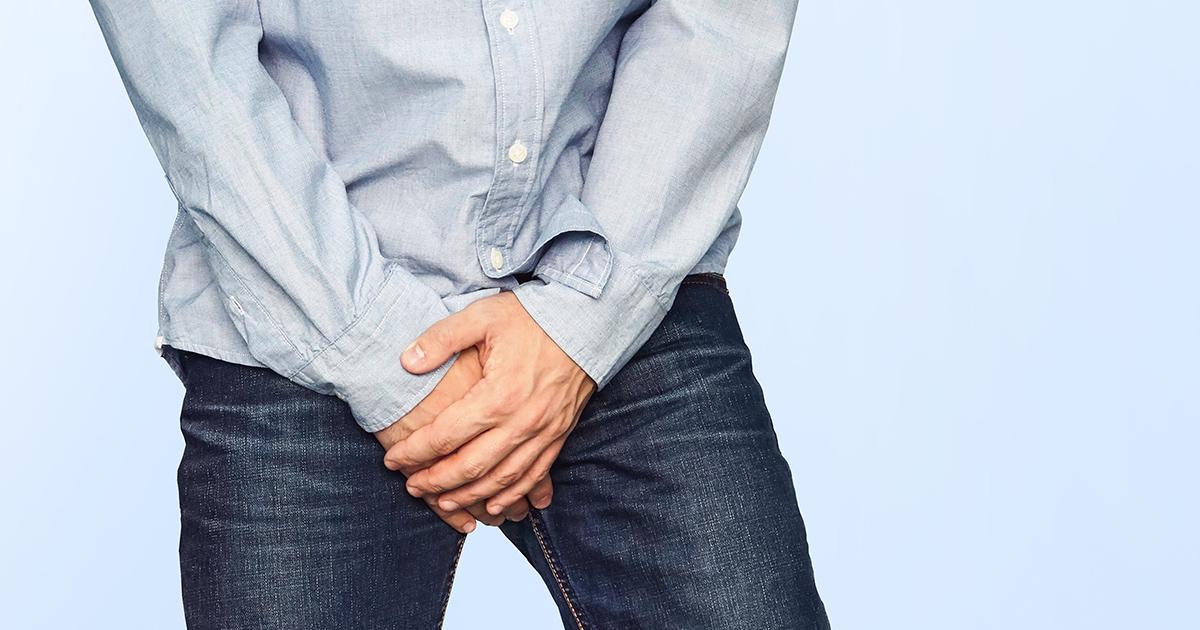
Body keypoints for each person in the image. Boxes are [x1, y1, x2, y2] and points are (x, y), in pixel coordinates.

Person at [89, 1, 830, 628]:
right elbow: (177, 45)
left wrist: (585, 316)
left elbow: (722, 19)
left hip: (615, 245)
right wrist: (369, 341)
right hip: (297, 291)